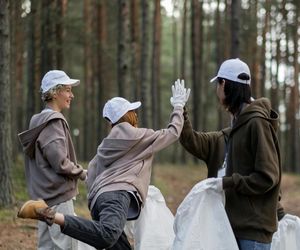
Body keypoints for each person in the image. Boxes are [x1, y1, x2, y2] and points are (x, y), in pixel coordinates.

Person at [17, 80, 191, 250]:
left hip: (98, 201)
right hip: (118, 196)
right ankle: (52, 216)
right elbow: (173, 132)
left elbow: (92, 171)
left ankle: (53, 215)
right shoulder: (140, 136)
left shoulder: (105, 144)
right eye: (132, 111)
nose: (136, 115)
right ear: (126, 115)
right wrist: (178, 106)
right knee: (107, 236)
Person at [179, 58, 281, 250]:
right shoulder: (228, 135)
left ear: (224, 84)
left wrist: (226, 183)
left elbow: (268, 177)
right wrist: (180, 110)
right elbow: (191, 140)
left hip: (252, 233)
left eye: (217, 85)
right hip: (226, 228)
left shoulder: (257, 124)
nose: (217, 92)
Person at [18, 70, 87, 250]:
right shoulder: (54, 122)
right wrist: (82, 173)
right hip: (59, 197)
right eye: (68, 90)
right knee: (67, 246)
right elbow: (61, 163)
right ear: (55, 92)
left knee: (47, 247)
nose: (71, 95)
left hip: (43, 198)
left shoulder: (38, 120)